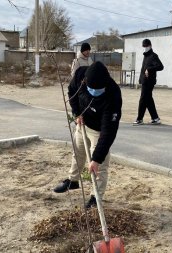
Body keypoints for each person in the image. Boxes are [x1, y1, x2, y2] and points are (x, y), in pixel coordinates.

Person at [53, 62, 122, 209]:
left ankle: (95, 197)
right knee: (77, 152)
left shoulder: (113, 95)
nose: (94, 92)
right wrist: (77, 113)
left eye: (98, 90)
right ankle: (73, 181)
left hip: (99, 131)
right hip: (83, 123)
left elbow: (108, 131)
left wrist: (96, 159)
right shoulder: (80, 75)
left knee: (99, 167)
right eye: (91, 88)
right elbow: (72, 92)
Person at [133, 39, 164, 126]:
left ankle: (139, 119)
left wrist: (149, 69)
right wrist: (140, 79)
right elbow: (143, 69)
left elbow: (160, 66)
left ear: (150, 45)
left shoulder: (153, 56)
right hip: (145, 81)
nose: (145, 48)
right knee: (148, 99)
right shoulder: (146, 56)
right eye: (144, 46)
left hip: (149, 81)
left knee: (143, 99)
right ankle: (155, 118)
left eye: (146, 46)